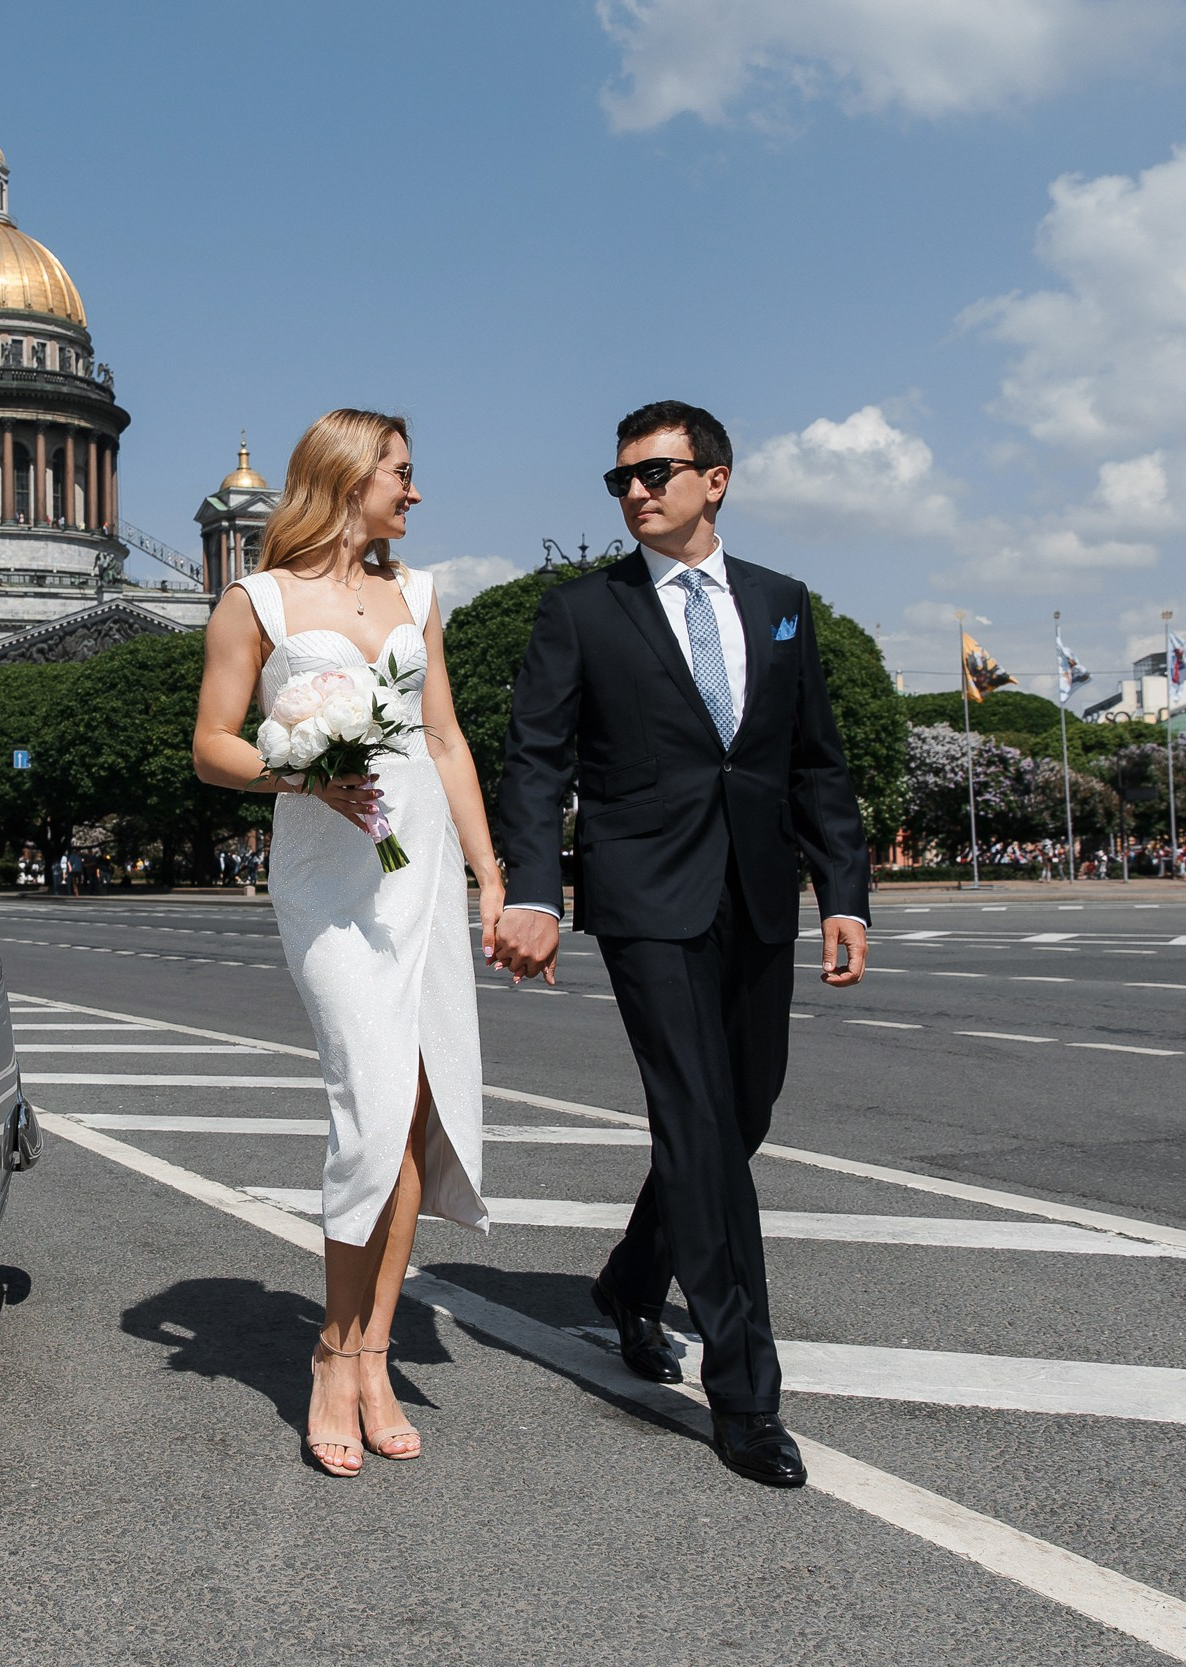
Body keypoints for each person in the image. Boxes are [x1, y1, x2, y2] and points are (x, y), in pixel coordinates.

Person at [490, 400, 870, 1488]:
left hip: (757, 891)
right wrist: (531, 889)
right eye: (620, 480)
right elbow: (535, 760)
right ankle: (744, 1390)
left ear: (716, 479)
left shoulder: (781, 604)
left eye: (656, 472)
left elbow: (814, 762)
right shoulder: (581, 611)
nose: (636, 492)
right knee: (696, 1120)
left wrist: (841, 889)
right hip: (644, 893)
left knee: (741, 1113)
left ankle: (627, 1277)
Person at [193, 409, 495, 1476]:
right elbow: (211, 743)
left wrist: (491, 876)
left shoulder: (417, 594)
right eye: (402, 474)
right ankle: (329, 1350)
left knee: (414, 1107)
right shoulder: (257, 600)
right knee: (368, 1104)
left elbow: (445, 740)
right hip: (328, 876)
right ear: (347, 474)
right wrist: (300, 770)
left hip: (417, 870)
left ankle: (372, 1349)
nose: (413, 495)